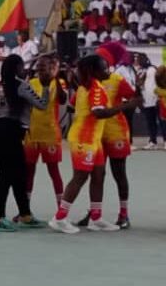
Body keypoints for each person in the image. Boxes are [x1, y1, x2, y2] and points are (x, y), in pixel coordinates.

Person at [49, 54, 127, 234]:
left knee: (99, 175)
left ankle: (96, 217)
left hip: (94, 140)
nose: (107, 70)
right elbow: (99, 113)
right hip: (85, 139)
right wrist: (125, 106)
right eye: (103, 68)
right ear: (94, 71)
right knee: (80, 177)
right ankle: (59, 218)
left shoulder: (86, 87)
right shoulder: (95, 88)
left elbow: (73, 105)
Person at [77, 43, 138, 228]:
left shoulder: (118, 80)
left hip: (116, 133)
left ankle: (124, 214)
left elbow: (135, 98)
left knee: (119, 173)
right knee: (97, 175)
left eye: (102, 61)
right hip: (95, 135)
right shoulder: (87, 84)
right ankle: (95, 214)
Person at [0, 55, 49, 231]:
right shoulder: (21, 86)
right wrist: (45, 86)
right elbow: (42, 105)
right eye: (21, 67)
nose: (23, 70)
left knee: (16, 174)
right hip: (11, 132)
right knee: (8, 175)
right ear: (17, 68)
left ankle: (25, 214)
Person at [24, 57, 67, 211]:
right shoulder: (31, 83)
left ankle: (61, 209)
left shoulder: (58, 83)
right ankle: (25, 209)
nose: (41, 70)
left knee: (54, 171)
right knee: (28, 172)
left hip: (50, 134)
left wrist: (56, 79)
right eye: (39, 67)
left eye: (45, 67)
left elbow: (63, 100)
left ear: (51, 69)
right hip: (32, 134)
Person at [136, 54, 162, 149]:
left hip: (156, 100)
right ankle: (152, 141)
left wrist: (158, 98)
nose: (139, 61)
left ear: (146, 59)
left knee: (162, 122)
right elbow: (139, 86)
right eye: (138, 59)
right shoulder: (139, 71)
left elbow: (157, 84)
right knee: (150, 123)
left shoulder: (153, 69)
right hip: (146, 101)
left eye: (141, 59)